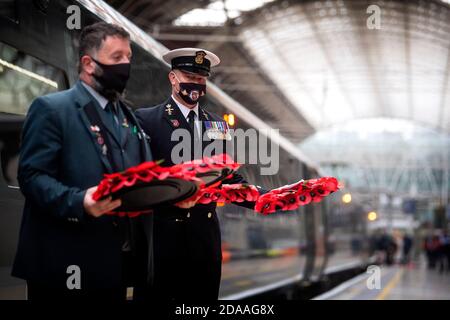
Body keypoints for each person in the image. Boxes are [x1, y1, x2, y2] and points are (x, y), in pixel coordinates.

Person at [12, 22, 153, 300]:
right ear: (88, 63)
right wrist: (80, 202)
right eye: (116, 58)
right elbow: (31, 177)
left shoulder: (127, 117)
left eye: (128, 57)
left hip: (115, 266)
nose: (125, 65)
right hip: (64, 264)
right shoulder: (52, 109)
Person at [135, 48, 267, 300]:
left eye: (200, 78)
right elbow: (141, 177)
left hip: (205, 238)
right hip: (163, 238)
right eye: (189, 76)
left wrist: (268, 198)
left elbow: (228, 178)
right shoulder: (148, 119)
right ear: (173, 78)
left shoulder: (217, 124)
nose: (195, 84)